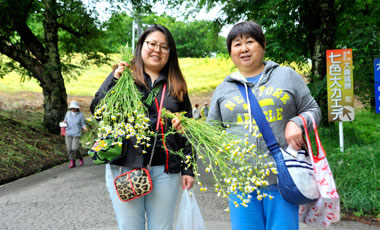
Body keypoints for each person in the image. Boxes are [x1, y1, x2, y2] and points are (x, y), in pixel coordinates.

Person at [206, 21, 321, 230]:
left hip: (282, 179)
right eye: (237, 44)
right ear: (230, 51)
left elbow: (314, 110)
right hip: (240, 181)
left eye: (250, 41)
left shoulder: (286, 76)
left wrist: (298, 122)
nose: (244, 49)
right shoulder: (224, 89)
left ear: (263, 45)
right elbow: (212, 131)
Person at [90, 24, 195, 230]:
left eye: (164, 47)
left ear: (170, 53)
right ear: (141, 47)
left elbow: (188, 132)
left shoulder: (177, 85)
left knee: (162, 227)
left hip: (166, 170)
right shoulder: (123, 77)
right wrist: (114, 79)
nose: (157, 50)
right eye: (152, 44)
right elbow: (98, 110)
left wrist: (188, 169)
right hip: (126, 167)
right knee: (130, 227)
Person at [63, 101, 88, 168]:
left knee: (75, 148)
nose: (73, 109)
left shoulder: (80, 115)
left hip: (76, 133)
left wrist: (85, 128)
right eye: (72, 108)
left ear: (77, 108)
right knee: (69, 149)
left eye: (74, 108)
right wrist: (63, 123)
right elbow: (65, 121)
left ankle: (80, 158)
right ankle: (72, 162)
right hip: (68, 133)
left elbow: (83, 124)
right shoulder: (68, 114)